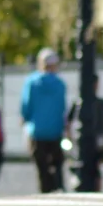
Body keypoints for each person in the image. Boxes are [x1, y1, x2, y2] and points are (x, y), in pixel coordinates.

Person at [20, 48, 67, 193]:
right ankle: (58, 187)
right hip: (56, 130)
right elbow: (62, 108)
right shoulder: (60, 84)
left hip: (37, 131)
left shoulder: (32, 82)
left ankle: (45, 191)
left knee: (42, 167)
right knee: (57, 164)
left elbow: (26, 106)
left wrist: (25, 118)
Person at [65, 74, 103, 192]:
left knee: (95, 167)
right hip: (83, 142)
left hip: (97, 142)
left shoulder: (100, 103)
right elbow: (68, 122)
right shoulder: (78, 103)